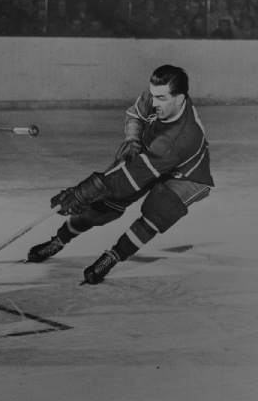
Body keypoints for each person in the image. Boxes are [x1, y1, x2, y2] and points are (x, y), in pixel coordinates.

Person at [27, 65, 214, 285]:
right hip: (151, 155)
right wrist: (133, 139)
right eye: (153, 96)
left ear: (180, 99)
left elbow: (129, 178)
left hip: (186, 175)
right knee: (103, 207)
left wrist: (83, 192)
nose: (154, 103)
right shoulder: (156, 95)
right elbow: (135, 115)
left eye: (161, 98)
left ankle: (113, 256)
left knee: (159, 209)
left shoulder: (182, 137)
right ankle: (59, 240)